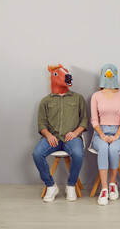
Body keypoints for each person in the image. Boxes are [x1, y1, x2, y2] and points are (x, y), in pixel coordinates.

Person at [33, 64, 88, 203]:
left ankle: (71, 185)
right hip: (52, 138)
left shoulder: (78, 98)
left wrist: (75, 133)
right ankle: (51, 186)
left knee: (78, 153)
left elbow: (84, 120)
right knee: (37, 154)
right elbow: (41, 124)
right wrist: (49, 135)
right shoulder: (45, 101)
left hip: (72, 138)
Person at [91, 64, 120, 206]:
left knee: (113, 148)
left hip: (118, 134)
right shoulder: (96, 96)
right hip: (99, 133)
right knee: (103, 148)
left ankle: (113, 183)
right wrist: (101, 135)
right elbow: (94, 119)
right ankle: (104, 188)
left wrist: (117, 135)